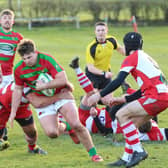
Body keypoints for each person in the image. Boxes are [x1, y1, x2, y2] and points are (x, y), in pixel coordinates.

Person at [9, 39, 103, 162]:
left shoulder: (47, 59)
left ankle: (94, 154)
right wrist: (13, 112)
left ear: (35, 52)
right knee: (52, 133)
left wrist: (44, 86)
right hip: (43, 101)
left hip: (61, 93)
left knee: (77, 124)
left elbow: (63, 79)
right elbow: (17, 90)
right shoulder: (19, 69)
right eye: (24, 58)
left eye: (29, 57)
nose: (27, 61)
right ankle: (67, 127)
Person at [87, 32, 168, 167]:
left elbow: (119, 80)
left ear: (126, 46)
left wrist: (98, 95)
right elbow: (144, 88)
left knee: (121, 114)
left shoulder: (132, 57)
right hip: (161, 95)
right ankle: (126, 158)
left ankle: (139, 150)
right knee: (132, 124)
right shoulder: (146, 57)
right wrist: (124, 100)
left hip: (156, 96)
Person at [0, 82, 46, 154]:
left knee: (31, 132)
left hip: (21, 107)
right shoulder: (27, 78)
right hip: (3, 104)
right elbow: (37, 103)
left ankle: (32, 148)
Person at [85, 22, 125, 90]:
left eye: (103, 30)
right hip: (93, 74)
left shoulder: (112, 40)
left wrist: (133, 46)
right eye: (98, 30)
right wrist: (104, 73)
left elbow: (123, 52)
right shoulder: (91, 47)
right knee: (93, 96)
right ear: (95, 32)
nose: (101, 32)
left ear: (107, 31)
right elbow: (90, 68)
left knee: (107, 100)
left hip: (106, 73)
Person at [0, 9, 23, 88]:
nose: (7, 20)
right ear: (0, 21)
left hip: (8, 75)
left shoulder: (17, 37)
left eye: (10, 18)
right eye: (5, 18)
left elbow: (27, 53)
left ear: (13, 21)